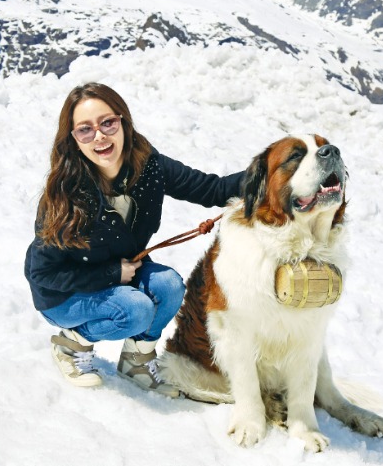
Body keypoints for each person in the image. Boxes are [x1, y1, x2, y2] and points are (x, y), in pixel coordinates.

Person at [25, 82, 244, 396]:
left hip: (120, 275)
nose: (99, 136)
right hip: (65, 296)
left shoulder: (148, 166)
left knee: (169, 285)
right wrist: (112, 274)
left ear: (123, 122)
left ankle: (136, 361)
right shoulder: (65, 196)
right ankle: (71, 346)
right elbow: (42, 274)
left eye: (107, 123)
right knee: (136, 310)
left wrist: (273, 172)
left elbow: (215, 189)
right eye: (85, 130)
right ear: (73, 140)